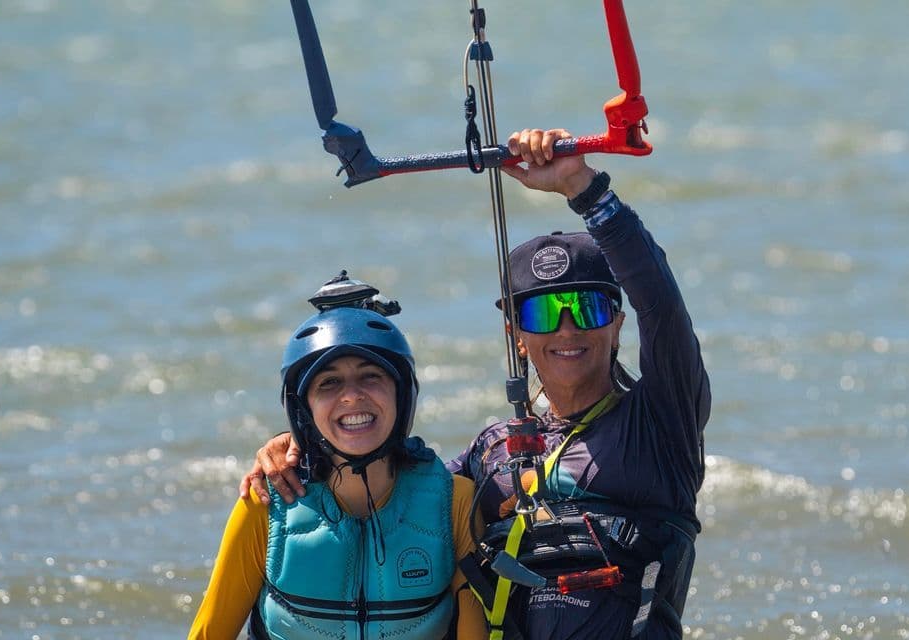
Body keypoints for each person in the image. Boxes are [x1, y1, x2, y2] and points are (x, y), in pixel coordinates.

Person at [240, 128, 711, 639]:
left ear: (618, 324)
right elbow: (383, 479)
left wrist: (585, 189)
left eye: (588, 306)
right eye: (544, 311)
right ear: (515, 332)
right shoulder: (490, 455)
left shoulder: (663, 423)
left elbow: (662, 305)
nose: (568, 328)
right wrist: (297, 451)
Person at [189, 291, 488, 640]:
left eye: (371, 376)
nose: (352, 395)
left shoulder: (456, 503)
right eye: (329, 382)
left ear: (402, 394)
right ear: (304, 409)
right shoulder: (265, 504)